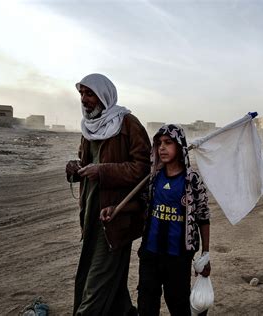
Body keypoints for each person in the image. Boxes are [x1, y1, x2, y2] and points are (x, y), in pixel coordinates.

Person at [101, 124, 211, 315]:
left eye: (168, 143)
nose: (162, 148)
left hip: (178, 256)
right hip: (150, 253)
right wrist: (116, 209)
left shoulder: (191, 180)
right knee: (146, 304)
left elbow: (203, 216)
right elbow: (143, 204)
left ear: (180, 146)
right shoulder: (154, 178)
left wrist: (206, 255)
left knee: (178, 304)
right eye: (159, 143)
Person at [65, 73, 151, 315]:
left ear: (104, 95)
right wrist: (74, 169)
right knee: (102, 278)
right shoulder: (88, 128)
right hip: (91, 216)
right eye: (81, 93)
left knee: (97, 281)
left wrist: (103, 171)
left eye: (89, 93)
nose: (84, 99)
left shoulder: (128, 123)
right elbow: (86, 166)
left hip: (115, 216)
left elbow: (144, 168)